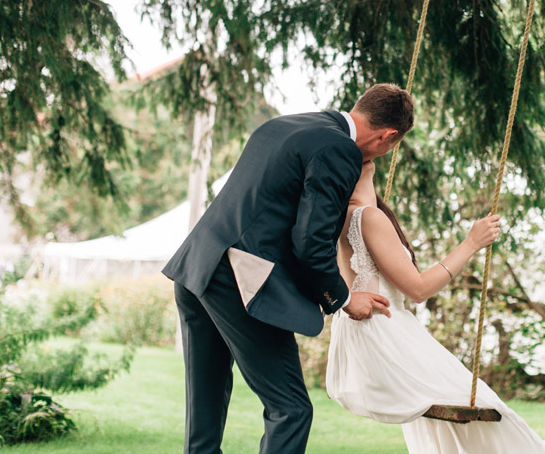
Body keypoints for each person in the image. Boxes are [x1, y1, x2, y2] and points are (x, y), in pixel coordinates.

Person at [162, 83, 415, 454]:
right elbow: (310, 242)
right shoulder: (339, 150)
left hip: (196, 267)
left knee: (206, 406)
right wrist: (343, 298)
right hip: (241, 281)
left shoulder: (285, 124)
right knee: (291, 409)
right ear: (388, 136)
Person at [326, 162, 545, 454]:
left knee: (459, 416)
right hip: (387, 341)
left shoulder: (341, 217)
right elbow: (418, 290)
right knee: (488, 408)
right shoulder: (367, 217)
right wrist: (471, 242)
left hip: (368, 342)